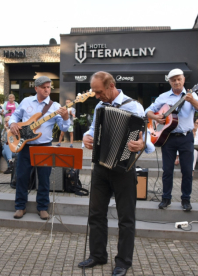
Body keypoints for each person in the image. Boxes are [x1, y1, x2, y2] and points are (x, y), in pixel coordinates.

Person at [78, 71, 154, 276]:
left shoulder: (134, 106)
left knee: (126, 217)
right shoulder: (100, 106)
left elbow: (146, 139)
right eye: (94, 91)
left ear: (111, 86)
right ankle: (97, 255)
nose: (96, 95)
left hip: (124, 169)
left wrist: (141, 144)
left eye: (99, 91)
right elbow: (93, 129)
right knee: (96, 213)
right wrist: (86, 136)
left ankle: (123, 262)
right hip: (101, 166)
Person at [9, 76, 70, 220]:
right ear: (36, 88)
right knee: (22, 177)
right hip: (25, 146)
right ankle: (20, 207)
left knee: (44, 179)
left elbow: (63, 127)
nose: (47, 90)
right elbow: (15, 116)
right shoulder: (26, 101)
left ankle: (42, 208)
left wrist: (66, 117)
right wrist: (12, 123)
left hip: (44, 146)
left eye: (49, 87)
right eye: (44, 87)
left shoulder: (55, 106)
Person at [145, 68, 198, 212]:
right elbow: (148, 111)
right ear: (169, 81)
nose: (176, 82)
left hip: (186, 138)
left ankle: (186, 199)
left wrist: (192, 100)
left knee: (187, 171)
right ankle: (166, 198)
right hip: (167, 138)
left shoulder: (191, 95)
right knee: (167, 170)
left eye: (179, 79)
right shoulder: (163, 97)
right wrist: (156, 117)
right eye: (173, 79)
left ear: (183, 80)